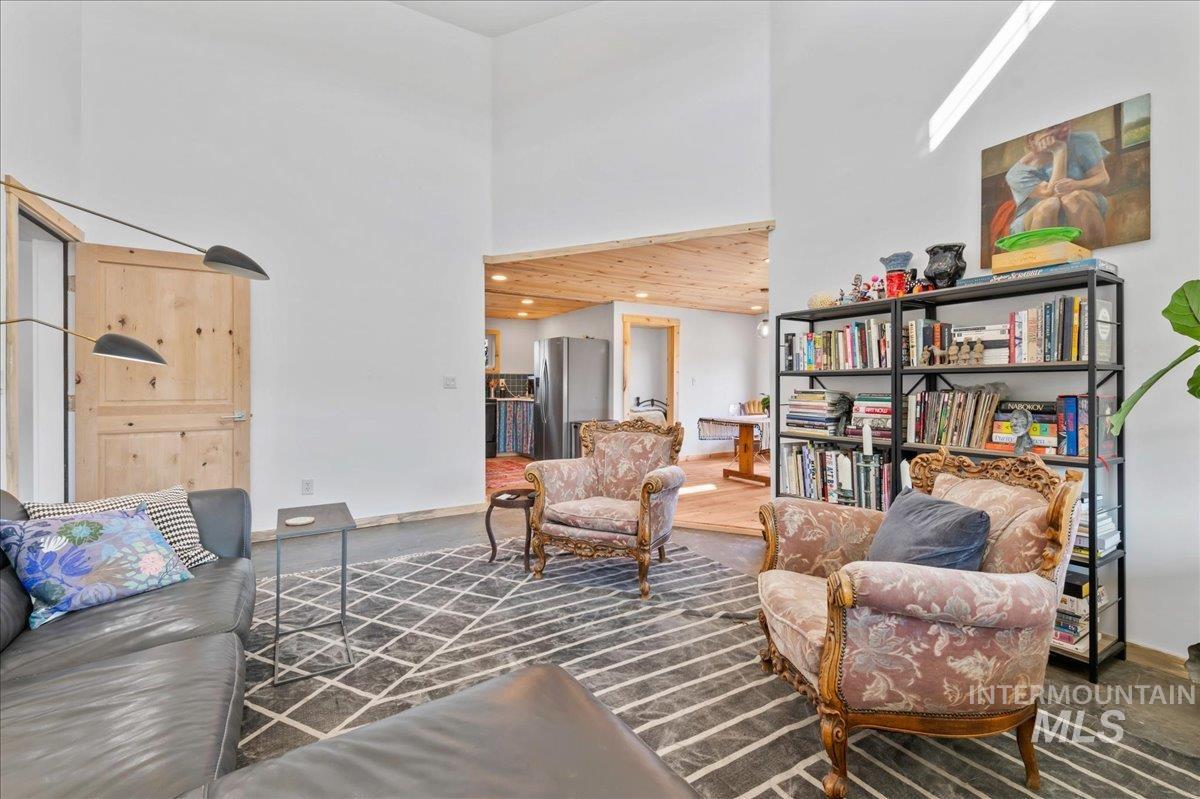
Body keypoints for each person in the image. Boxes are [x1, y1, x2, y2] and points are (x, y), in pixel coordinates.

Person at [1005, 121, 1110, 248]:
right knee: (1049, 205)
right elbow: (1052, 194)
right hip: (1035, 216)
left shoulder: (1084, 141)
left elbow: (1102, 178)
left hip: (1082, 202)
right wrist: (1060, 151)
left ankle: (1089, 257)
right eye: (1053, 127)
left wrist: (1077, 184)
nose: (1065, 129)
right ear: (1032, 139)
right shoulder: (1017, 173)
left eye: (1067, 123)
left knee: (1074, 198)